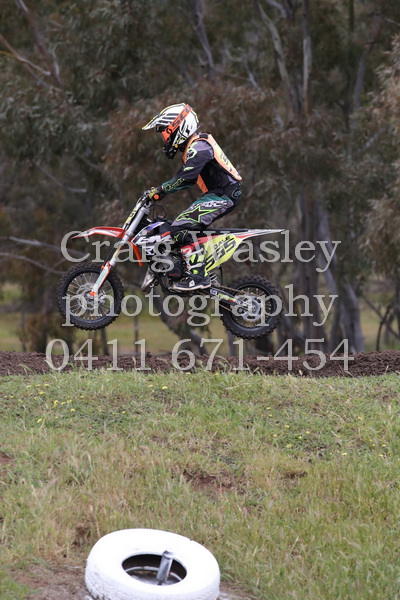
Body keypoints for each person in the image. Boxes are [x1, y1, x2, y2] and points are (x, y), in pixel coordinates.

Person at [142, 103, 242, 291]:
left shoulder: (200, 147)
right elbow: (185, 179)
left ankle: (199, 276)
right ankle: (180, 266)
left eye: (166, 133)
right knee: (171, 226)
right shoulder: (195, 147)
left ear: (179, 127)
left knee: (181, 226)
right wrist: (160, 190)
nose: (165, 139)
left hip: (224, 195)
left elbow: (186, 178)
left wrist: (160, 190)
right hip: (218, 194)